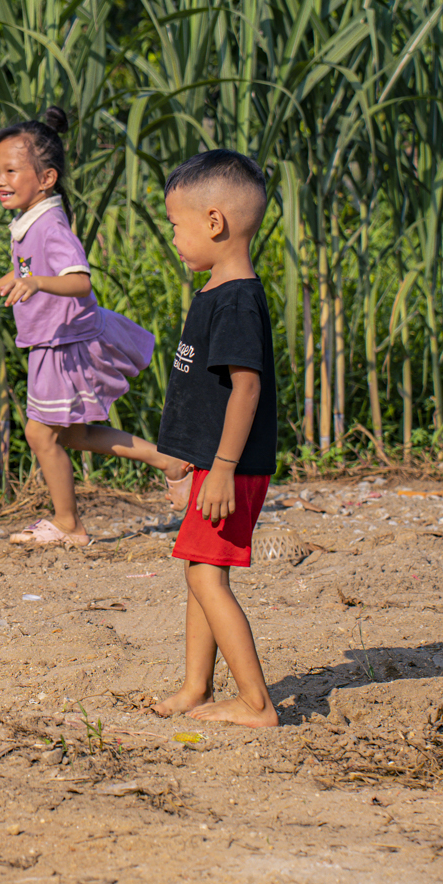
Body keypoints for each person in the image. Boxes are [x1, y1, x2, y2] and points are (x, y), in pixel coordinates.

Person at [0, 108, 188, 546]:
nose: (0, 180)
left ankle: (68, 524)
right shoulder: (29, 221)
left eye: (11, 170)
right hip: (51, 342)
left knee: (41, 433)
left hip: (64, 344)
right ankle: (169, 461)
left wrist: (38, 282)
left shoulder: (52, 225)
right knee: (72, 434)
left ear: (46, 178)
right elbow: (21, 270)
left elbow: (80, 282)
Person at [147, 148, 280, 727]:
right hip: (214, 465)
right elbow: (206, 394)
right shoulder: (214, 293)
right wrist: (189, 465)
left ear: (214, 222)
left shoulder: (236, 301)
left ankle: (256, 703)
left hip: (235, 466)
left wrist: (222, 468)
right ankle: (195, 687)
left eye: (176, 225)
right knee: (201, 570)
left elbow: (246, 390)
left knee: (205, 574)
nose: (174, 238)